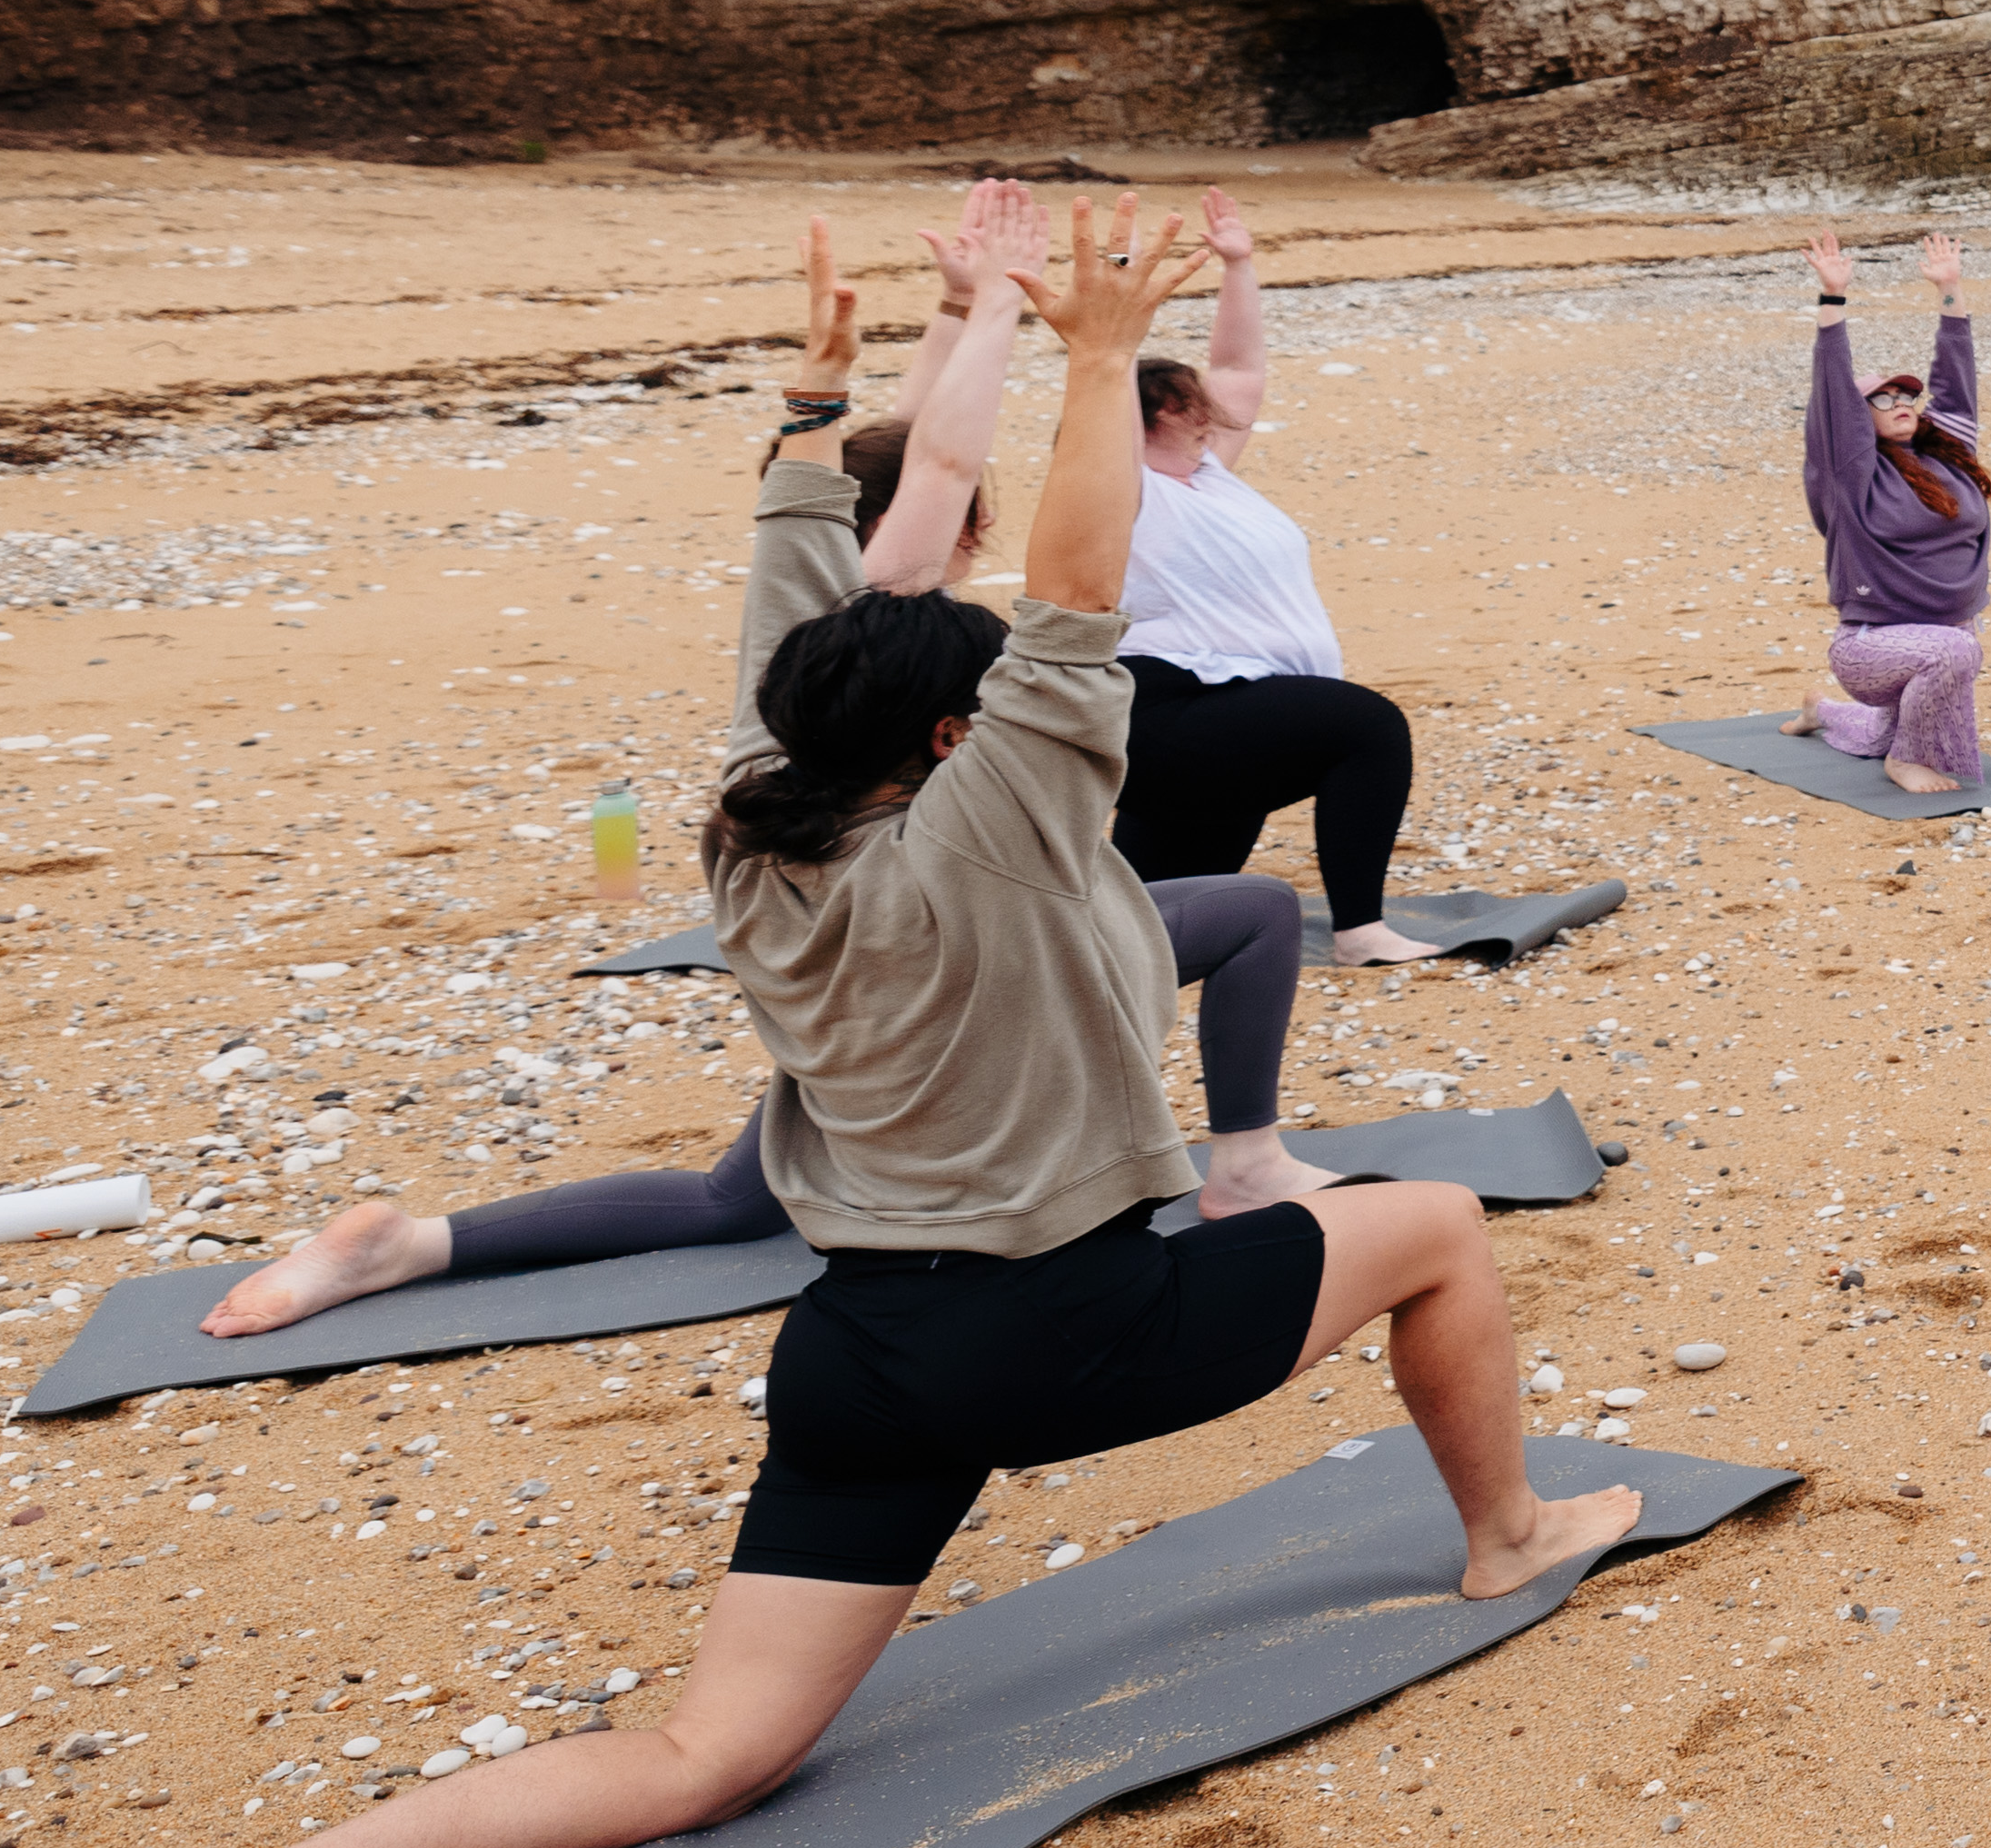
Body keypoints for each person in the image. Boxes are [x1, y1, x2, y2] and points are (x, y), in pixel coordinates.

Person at [0, 197, 1637, 1848]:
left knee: (705, 1751)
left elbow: (807, 555)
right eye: (991, 691)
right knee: (1430, 1227)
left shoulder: (754, 826)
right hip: (1076, 1319)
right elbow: (1079, 582)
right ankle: (1500, 1538)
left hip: (865, 1353)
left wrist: (837, 376)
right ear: (955, 728)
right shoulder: (999, 822)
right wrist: (1094, 356)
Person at [199, 197, 1339, 1340]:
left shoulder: (787, 726)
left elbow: (840, 496)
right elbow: (983, 503)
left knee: (731, 1197)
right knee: (1249, 907)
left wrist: (866, 363)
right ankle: (1245, 1164)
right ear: (951, 731)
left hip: (856, 991)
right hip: (968, 992)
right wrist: (1076, 344)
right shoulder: (918, 653)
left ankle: (408, 1243)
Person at [1110, 192, 1456, 959]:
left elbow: (1239, 367)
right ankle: (1361, 930)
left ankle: (1071, 936)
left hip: (1223, 703)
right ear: (1142, 416)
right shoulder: (1121, 487)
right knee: (1364, 726)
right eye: (1181, 404)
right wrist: (1115, 282)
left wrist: (1239, 262)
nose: (1205, 412)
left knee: (1139, 919)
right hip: (1165, 712)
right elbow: (1100, 380)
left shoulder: (1208, 475)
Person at [1799, 232, 1991, 793]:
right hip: (1870, 646)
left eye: (1906, 397)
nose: (1900, 404)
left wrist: (1950, 289)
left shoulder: (1949, 455)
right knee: (1958, 651)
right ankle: (1904, 759)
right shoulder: (1850, 476)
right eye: (1882, 400)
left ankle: (1821, 711)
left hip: (1938, 645)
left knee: (1897, 711)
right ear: (1859, 420)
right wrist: (1833, 302)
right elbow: (1834, 393)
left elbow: (1957, 384)